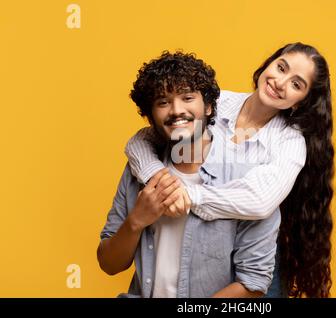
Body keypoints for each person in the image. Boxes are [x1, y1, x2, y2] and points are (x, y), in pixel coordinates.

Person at [125, 42, 335, 298]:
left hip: (253, 245)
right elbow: (140, 141)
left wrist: (188, 196)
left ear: (301, 102)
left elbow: (260, 202)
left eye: (296, 84)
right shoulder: (217, 101)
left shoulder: (290, 143)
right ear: (268, 64)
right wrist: (161, 182)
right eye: (281, 68)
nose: (280, 82)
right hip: (197, 240)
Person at [97, 51, 280, 298]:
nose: (176, 110)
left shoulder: (247, 179)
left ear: (208, 106)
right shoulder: (138, 171)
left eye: (187, 97)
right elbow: (109, 263)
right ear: (150, 116)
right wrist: (136, 221)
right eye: (163, 102)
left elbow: (253, 283)